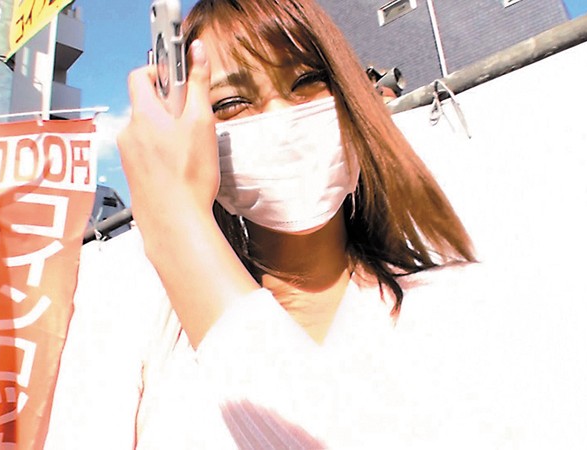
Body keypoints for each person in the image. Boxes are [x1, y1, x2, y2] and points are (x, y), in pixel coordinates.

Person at [117, 0, 475, 446]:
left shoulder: (460, 305)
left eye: (306, 81)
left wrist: (175, 230)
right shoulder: (153, 348)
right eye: (231, 103)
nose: (279, 120)